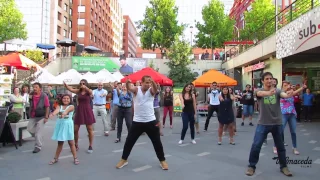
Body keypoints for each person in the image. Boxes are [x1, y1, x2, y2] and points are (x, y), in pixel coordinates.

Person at [246, 72, 294, 177]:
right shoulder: (258, 90)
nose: (269, 80)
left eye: (271, 78)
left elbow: (284, 95)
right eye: (267, 79)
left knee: (280, 147)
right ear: (262, 81)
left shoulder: (277, 91)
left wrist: (289, 94)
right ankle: (251, 166)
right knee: (256, 145)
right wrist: (269, 93)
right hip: (263, 123)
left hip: (277, 123)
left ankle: (284, 167)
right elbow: (260, 94)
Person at [116, 76, 168, 170]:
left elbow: (155, 90)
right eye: (146, 83)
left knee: (157, 142)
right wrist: (127, 82)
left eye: (149, 83)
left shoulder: (151, 90)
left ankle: (162, 160)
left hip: (151, 121)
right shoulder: (137, 89)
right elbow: (129, 87)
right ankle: (124, 159)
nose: (148, 84)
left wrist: (153, 82)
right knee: (129, 141)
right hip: (137, 121)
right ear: (142, 82)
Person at [272, 81, 305, 155]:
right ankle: (275, 146)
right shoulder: (280, 93)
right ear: (282, 86)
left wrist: (302, 87)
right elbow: (286, 94)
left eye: (288, 85)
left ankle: (295, 148)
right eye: (285, 85)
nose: (287, 86)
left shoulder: (291, 92)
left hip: (292, 114)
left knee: (293, 132)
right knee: (280, 131)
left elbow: (295, 92)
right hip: (283, 114)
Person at [64, 79, 95, 154]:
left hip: (87, 110)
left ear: (86, 84)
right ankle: (76, 144)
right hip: (80, 109)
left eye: (83, 83)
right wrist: (66, 85)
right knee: (75, 129)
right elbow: (71, 89)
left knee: (89, 129)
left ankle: (90, 145)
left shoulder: (88, 90)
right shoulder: (79, 91)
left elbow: (91, 92)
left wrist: (85, 88)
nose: (82, 84)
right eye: (81, 83)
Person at [49, 94, 79, 165]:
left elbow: (67, 110)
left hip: (68, 126)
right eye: (64, 98)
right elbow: (57, 110)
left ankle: (75, 158)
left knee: (71, 143)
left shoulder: (71, 106)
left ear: (70, 99)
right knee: (60, 143)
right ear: (61, 99)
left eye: (67, 98)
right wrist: (53, 114)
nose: (66, 100)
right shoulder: (59, 106)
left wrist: (64, 113)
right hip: (60, 125)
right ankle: (55, 158)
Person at [27, 83, 50, 153]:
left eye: (36, 87)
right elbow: (30, 104)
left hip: (41, 116)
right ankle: (39, 137)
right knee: (29, 129)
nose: (34, 88)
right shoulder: (31, 95)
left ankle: (38, 146)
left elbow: (47, 106)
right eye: (33, 87)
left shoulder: (44, 96)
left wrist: (46, 116)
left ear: (40, 88)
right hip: (33, 115)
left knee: (38, 133)